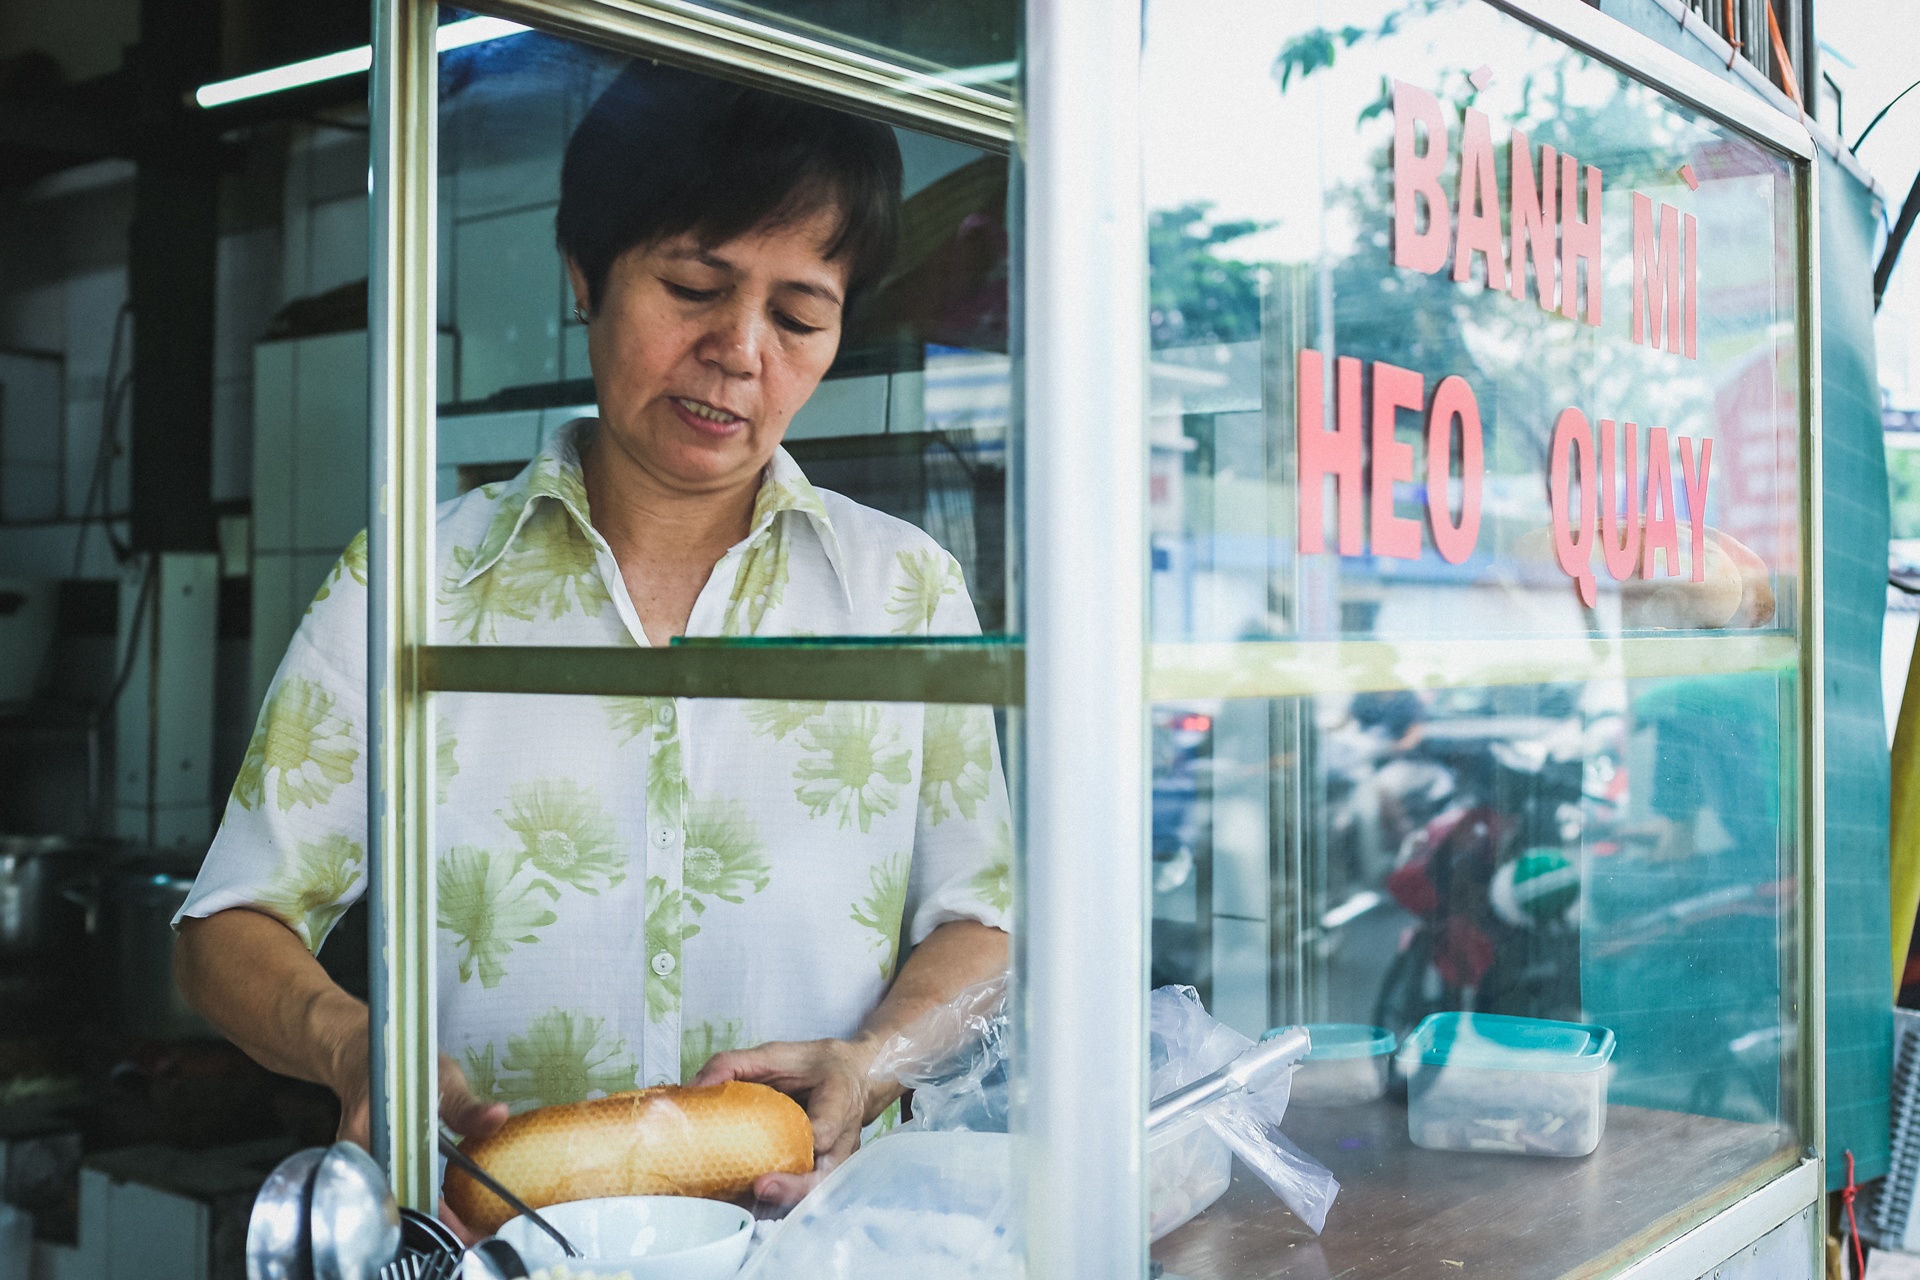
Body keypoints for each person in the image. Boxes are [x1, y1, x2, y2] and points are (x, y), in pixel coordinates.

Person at [173, 60, 1012, 1222]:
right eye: (693, 287)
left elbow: (980, 920)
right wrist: (355, 1044)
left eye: (797, 316)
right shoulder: (417, 582)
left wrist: (872, 1063)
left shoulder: (902, 588)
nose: (740, 349)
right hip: (489, 1239)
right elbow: (228, 924)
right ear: (586, 272)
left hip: (818, 1244)